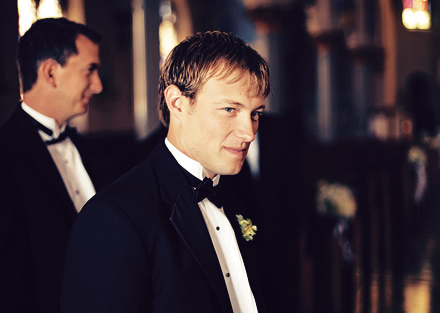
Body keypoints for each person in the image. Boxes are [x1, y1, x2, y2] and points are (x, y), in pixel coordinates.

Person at [61, 31, 270, 313]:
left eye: (255, 113)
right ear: (177, 103)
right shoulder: (114, 218)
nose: (249, 133)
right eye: (230, 109)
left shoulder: (233, 202)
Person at [0, 18, 103, 313]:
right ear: (50, 73)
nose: (98, 85)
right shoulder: (5, 155)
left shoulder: (83, 147)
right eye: (90, 70)